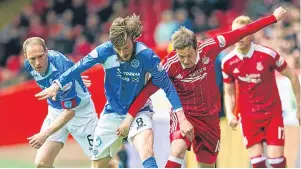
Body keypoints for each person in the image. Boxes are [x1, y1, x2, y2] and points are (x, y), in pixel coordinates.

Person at [118, 7, 287, 168]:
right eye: (181, 55)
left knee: (206, 165)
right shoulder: (169, 65)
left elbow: (241, 32)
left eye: (189, 55)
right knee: (177, 149)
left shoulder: (210, 47)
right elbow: (146, 92)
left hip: (209, 119)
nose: (185, 60)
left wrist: (273, 18)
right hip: (184, 115)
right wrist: (128, 119)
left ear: (196, 46)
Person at [34, 14, 193, 168]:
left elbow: (167, 86)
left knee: (146, 150)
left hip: (139, 110)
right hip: (112, 112)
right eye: (118, 49)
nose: (123, 53)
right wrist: (58, 84)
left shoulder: (147, 56)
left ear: (133, 38)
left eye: (126, 47)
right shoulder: (104, 51)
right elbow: (79, 66)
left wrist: (183, 118)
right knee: (98, 165)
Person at [222, 14, 300, 168]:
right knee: (258, 164)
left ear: (252, 34)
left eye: (243, 33)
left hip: (272, 115)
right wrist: (230, 113)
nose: (239, 37)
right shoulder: (227, 62)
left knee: (276, 162)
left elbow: (292, 76)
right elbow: (229, 92)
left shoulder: (268, 55)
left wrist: (299, 105)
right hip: (248, 117)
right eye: (235, 33)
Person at [24, 37, 100, 167]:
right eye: (32, 59)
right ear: (26, 57)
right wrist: (76, 79)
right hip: (55, 111)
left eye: (41, 56)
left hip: (80, 113)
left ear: (47, 52)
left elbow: (69, 112)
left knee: (103, 163)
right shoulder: (28, 66)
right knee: (42, 164)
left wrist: (44, 135)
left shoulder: (59, 67)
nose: (37, 63)